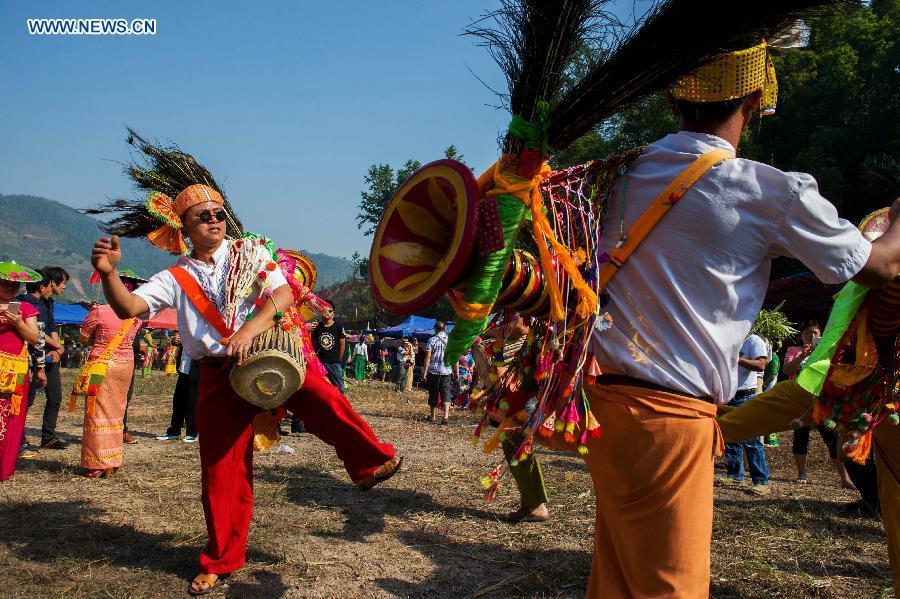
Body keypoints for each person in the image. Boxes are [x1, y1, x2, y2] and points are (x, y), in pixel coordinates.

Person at [570, 40, 900, 597]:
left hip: (604, 405)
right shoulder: (768, 190)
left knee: (618, 575)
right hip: (672, 418)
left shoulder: (622, 174)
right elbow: (878, 268)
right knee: (670, 587)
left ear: (673, 100)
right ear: (753, 101)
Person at [92, 160, 402, 595]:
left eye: (218, 213)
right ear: (184, 228)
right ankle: (221, 559)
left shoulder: (250, 252)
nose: (214, 220)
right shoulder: (175, 277)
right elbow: (128, 307)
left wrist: (248, 331)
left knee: (324, 399)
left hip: (269, 355)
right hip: (218, 375)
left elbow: (283, 293)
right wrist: (109, 274)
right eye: (203, 216)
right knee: (222, 470)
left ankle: (370, 462)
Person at [72, 272, 144, 478]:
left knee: (96, 412)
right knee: (117, 411)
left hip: (102, 365)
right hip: (125, 366)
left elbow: (84, 338)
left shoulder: (100, 311)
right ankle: (113, 460)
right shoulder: (135, 317)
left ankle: (96, 463)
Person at [783, 320, 855, 488]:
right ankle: (801, 473)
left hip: (822, 400)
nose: (812, 335)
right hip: (800, 400)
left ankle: (845, 478)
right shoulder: (794, 350)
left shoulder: (828, 350)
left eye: (815, 332)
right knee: (801, 437)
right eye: (808, 332)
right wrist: (803, 356)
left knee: (832, 438)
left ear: (821, 334)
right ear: (801, 336)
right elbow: (787, 370)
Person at [19, 266, 69, 450]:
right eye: (61, 283)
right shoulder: (27, 303)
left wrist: (57, 350)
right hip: (33, 355)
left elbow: (51, 327)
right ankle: (19, 438)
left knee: (55, 397)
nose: (63, 287)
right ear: (47, 285)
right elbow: (37, 332)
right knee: (26, 400)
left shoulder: (49, 303)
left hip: (49, 355)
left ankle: (48, 436)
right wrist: (58, 346)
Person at [0, 262, 42, 480]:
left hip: (14, 370)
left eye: (14, 285)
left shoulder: (25, 308)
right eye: (6, 283)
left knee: (11, 417)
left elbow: (34, 338)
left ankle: (3, 467)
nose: (10, 288)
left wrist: (18, 323)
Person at [720, 334, 769, 491]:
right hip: (728, 395)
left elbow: (761, 365)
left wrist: (737, 360)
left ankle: (761, 481)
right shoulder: (728, 338)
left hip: (745, 395)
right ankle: (734, 475)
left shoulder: (753, 340)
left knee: (751, 439)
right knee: (730, 437)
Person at [156, 343, 199, 442]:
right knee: (178, 401)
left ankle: (192, 432)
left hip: (196, 370)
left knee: (192, 402)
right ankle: (174, 430)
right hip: (183, 368)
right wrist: (175, 340)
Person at [422, 321, 457, 424]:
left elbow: (428, 356)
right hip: (446, 371)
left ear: (435, 329)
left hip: (434, 371)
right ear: (445, 329)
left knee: (433, 393)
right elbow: (454, 357)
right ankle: (445, 416)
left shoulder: (432, 340)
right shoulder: (450, 341)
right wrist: (456, 371)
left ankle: (433, 416)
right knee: (446, 393)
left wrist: (425, 371)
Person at [310, 305, 346, 394]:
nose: (326, 313)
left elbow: (342, 345)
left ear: (333, 312)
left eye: (329, 310)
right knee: (320, 388)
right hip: (320, 362)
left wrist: (338, 359)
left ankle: (339, 401)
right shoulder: (317, 327)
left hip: (334, 362)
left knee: (339, 388)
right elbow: (314, 344)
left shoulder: (338, 326)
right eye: (324, 310)